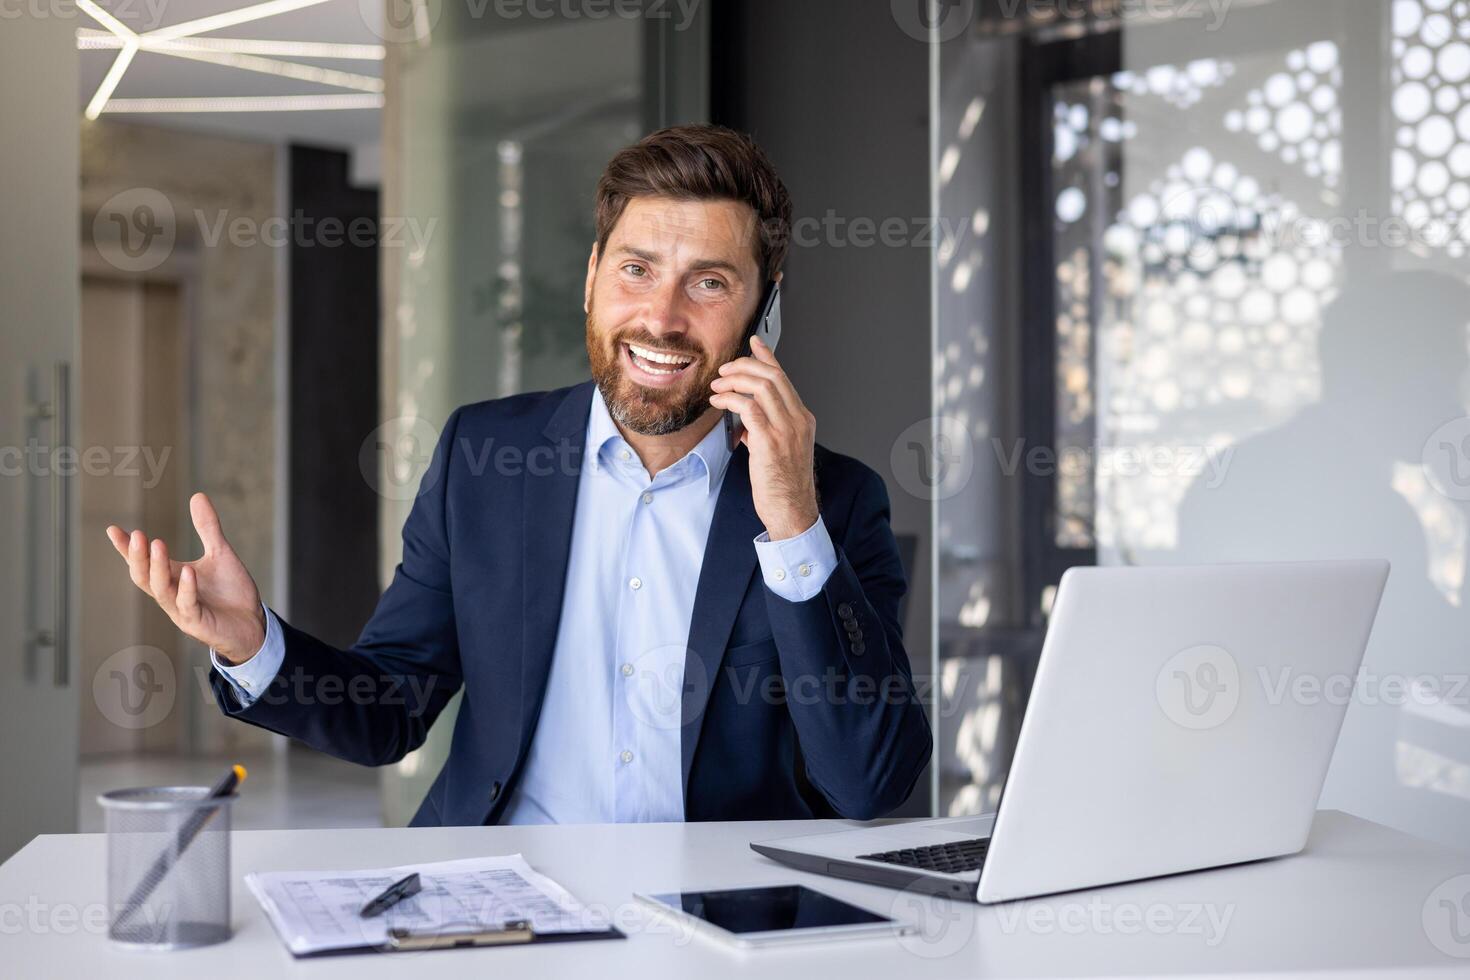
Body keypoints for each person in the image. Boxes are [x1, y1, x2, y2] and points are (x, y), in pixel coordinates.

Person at [106, 124, 932, 827]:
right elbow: (391, 707)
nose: (661, 317)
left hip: (718, 929)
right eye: (636, 270)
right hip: (500, 908)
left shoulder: (836, 502)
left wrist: (793, 527)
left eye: (709, 283)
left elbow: (868, 783)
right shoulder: (485, 458)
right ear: (591, 279)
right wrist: (256, 648)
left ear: (766, 309)